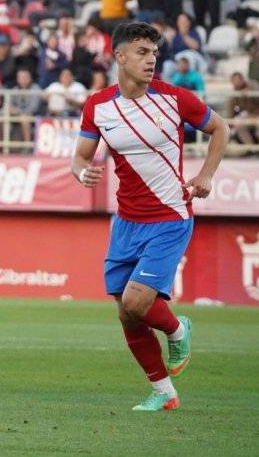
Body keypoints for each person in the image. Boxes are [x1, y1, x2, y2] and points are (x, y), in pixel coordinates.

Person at [72, 21, 229, 411]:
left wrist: (206, 174)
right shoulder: (98, 106)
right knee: (127, 314)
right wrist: (81, 172)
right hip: (126, 221)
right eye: (142, 52)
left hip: (170, 217)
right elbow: (80, 157)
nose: (151, 60)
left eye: (154, 54)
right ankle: (163, 393)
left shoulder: (175, 99)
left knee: (138, 302)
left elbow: (220, 128)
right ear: (119, 56)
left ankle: (178, 330)